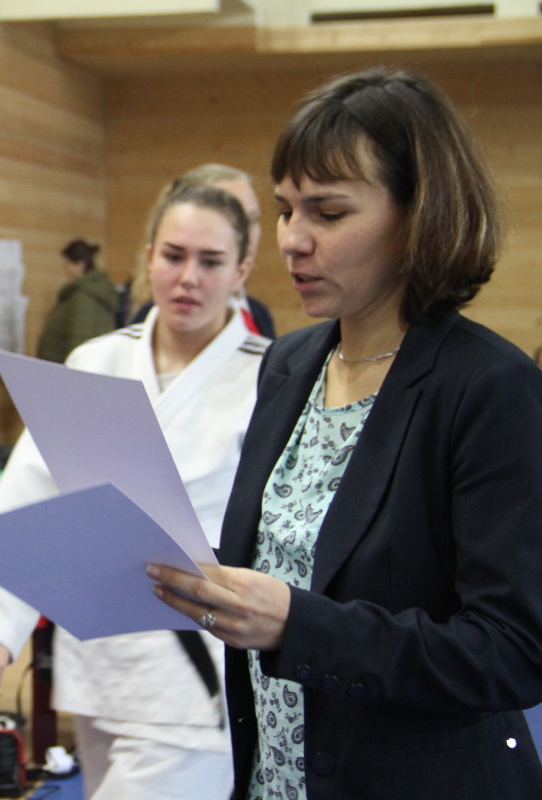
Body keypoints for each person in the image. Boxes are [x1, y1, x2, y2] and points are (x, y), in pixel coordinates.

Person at [149, 67, 542, 799]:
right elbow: (293, 560)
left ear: (418, 216)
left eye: (328, 213)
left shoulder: (488, 387)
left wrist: (298, 626)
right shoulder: (290, 364)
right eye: (285, 210)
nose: (293, 241)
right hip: (276, 775)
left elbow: (512, 652)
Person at [0, 180, 269, 799]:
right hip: (99, 654)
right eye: (173, 256)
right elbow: (29, 496)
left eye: (211, 261)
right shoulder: (96, 361)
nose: (188, 278)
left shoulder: (268, 377)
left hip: (197, 667)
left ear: (242, 270)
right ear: (147, 257)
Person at [131, 165, 276, 339]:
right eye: (230, 214)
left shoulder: (257, 312)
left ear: (241, 272)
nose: (246, 234)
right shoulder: (156, 322)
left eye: (251, 220)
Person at [36, 238, 118, 363]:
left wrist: (72, 368)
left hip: (69, 368)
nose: (65, 270)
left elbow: (79, 338)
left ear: (80, 264)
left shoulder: (84, 295)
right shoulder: (87, 291)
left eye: (67, 265)